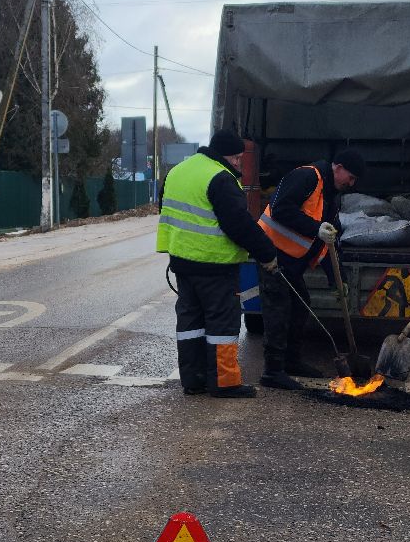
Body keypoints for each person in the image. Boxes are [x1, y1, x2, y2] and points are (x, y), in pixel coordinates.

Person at [157, 130, 280, 398]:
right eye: (237, 158)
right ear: (227, 155)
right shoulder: (220, 178)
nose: (238, 164)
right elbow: (240, 225)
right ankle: (224, 383)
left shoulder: (177, 171)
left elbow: (165, 209)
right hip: (215, 266)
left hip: (182, 262)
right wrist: (267, 254)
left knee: (191, 322)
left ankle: (193, 380)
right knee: (222, 325)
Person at [256, 149, 366, 389]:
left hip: (291, 262)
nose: (352, 183)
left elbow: (328, 243)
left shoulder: (330, 198)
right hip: (272, 256)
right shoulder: (307, 177)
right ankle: (272, 371)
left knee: (300, 305)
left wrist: (338, 280)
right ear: (338, 167)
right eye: (351, 176)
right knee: (279, 310)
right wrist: (314, 228)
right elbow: (281, 209)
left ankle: (290, 361)